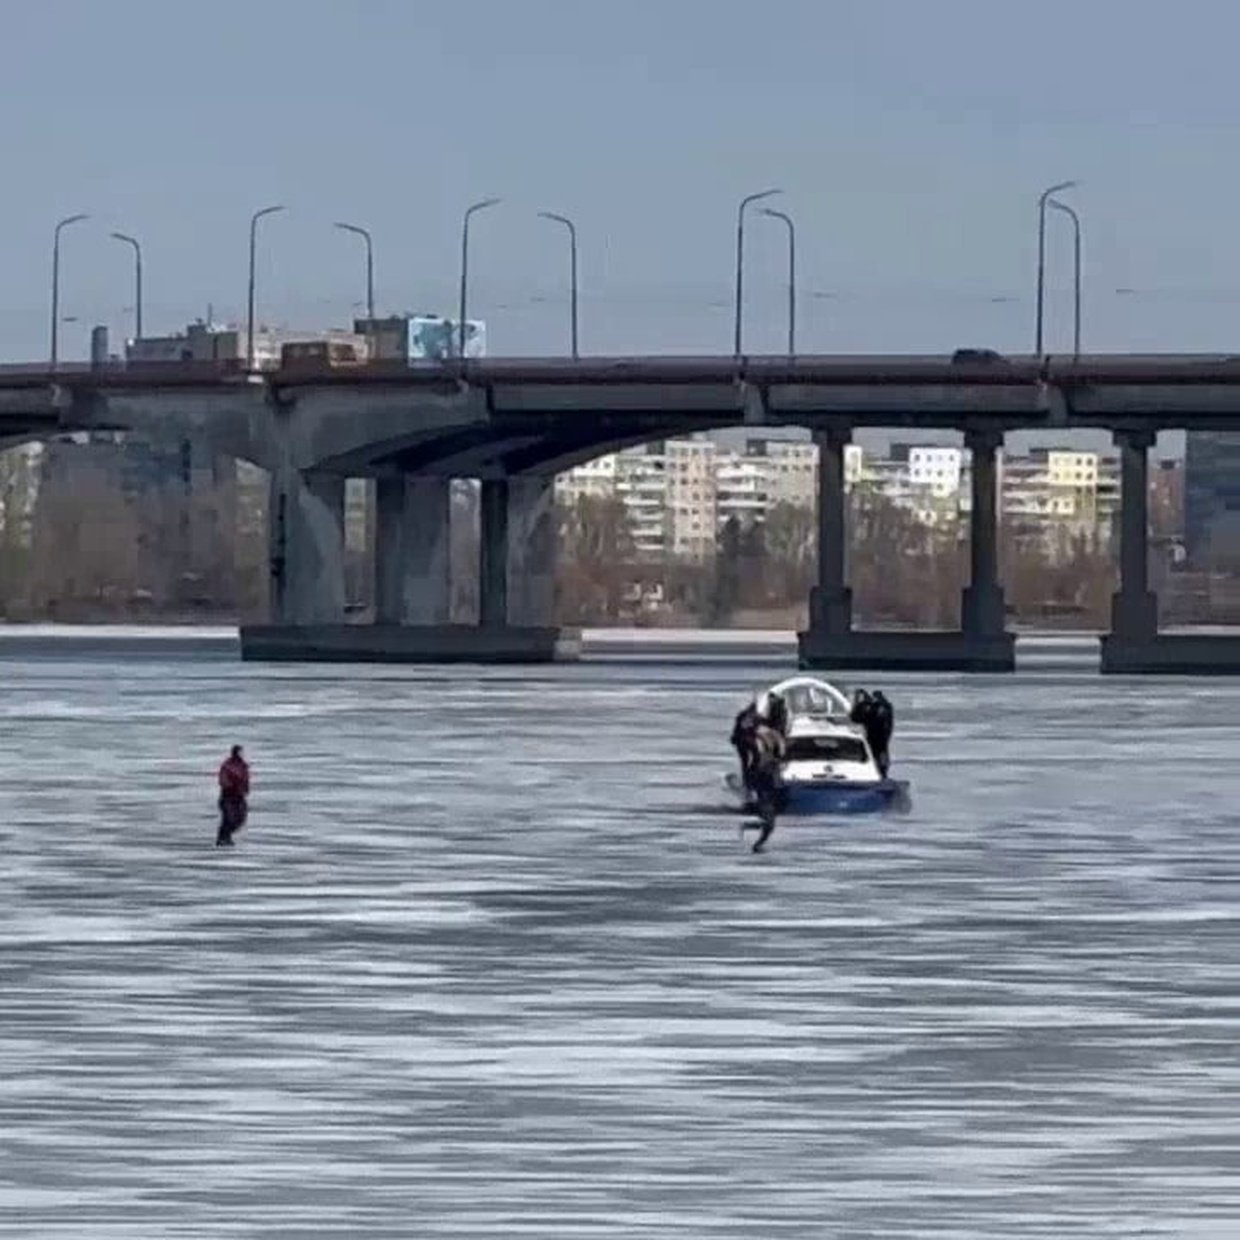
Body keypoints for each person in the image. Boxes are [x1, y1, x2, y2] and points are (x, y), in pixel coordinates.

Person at [740, 719, 785, 853]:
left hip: (768, 795)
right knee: (769, 824)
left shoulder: (771, 765)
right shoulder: (766, 767)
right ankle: (756, 842)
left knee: (769, 825)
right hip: (766, 797)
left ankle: (756, 840)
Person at [216, 745, 250, 847]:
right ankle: (223, 838)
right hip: (228, 796)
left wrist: (245, 788)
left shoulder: (243, 766)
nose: (242, 754)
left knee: (240, 818)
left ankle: (226, 836)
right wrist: (230, 786)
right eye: (240, 752)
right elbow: (223, 779)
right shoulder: (228, 765)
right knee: (229, 818)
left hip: (239, 796)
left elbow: (246, 778)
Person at [730, 699, 760, 789]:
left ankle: (751, 775)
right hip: (741, 741)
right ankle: (746, 781)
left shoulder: (754, 717)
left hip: (747, 741)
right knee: (745, 760)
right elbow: (743, 728)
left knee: (756, 757)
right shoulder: (744, 716)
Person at [869, 691, 894, 779]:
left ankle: (881, 769)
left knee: (878, 753)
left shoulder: (877, 707)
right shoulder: (887, 707)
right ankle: (882, 770)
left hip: (877, 735)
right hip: (883, 735)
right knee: (882, 753)